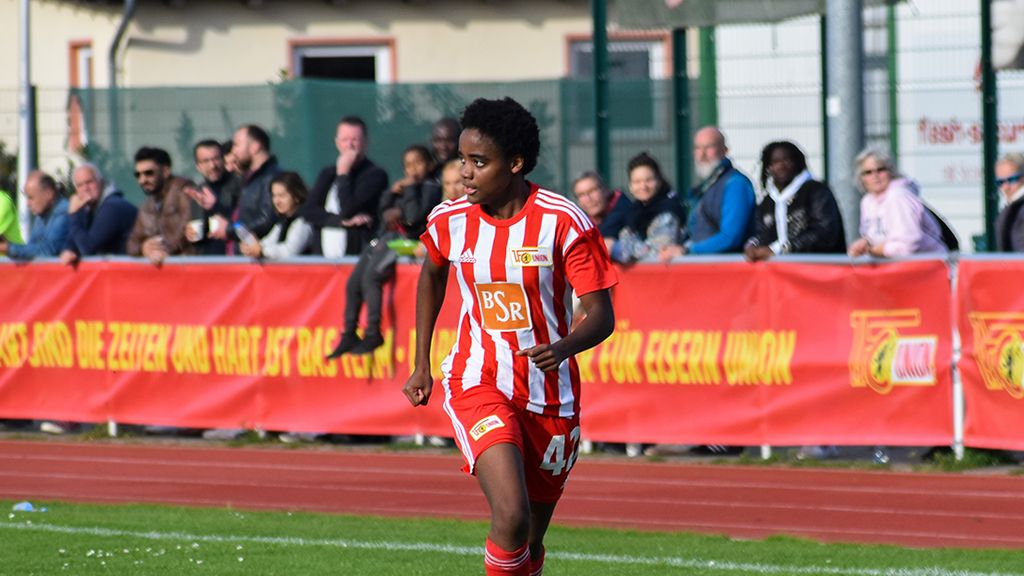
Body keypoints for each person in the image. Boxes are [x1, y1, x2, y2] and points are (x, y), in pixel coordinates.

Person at [402, 97, 617, 576]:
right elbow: (431, 274)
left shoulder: (564, 223)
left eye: (479, 162)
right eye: (462, 160)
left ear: (515, 163)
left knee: (531, 540)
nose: (466, 173)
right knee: (512, 516)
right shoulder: (450, 219)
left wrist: (562, 348)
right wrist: (423, 363)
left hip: (550, 396)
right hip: (479, 380)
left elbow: (602, 315)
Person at [328, 144, 440, 357]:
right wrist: (392, 194)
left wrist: (409, 191)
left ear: (430, 164)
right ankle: (349, 331)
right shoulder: (405, 187)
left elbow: (413, 216)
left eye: (418, 163)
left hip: (408, 242)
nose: (413, 169)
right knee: (353, 282)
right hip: (388, 238)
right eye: (408, 165)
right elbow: (384, 213)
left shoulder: (430, 187)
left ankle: (373, 331)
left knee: (371, 278)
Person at [744, 140, 846, 261]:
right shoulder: (768, 200)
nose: (781, 166)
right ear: (768, 167)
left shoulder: (817, 191)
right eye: (775, 162)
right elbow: (761, 232)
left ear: (797, 162)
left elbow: (825, 233)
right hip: (778, 273)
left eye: (787, 160)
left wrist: (782, 248)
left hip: (819, 269)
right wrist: (753, 245)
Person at [304, 116, 388, 257]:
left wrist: (343, 174)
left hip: (356, 258)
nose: (349, 145)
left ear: (365, 142)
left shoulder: (375, 175)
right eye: (345, 140)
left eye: (355, 140)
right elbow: (309, 211)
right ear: (337, 143)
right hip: (324, 260)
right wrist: (340, 222)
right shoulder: (328, 173)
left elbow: (348, 208)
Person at [666, 126, 756, 258]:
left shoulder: (736, 184)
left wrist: (688, 250)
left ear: (725, 150)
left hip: (727, 270)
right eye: (697, 148)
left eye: (709, 147)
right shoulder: (707, 185)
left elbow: (730, 237)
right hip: (706, 267)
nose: (702, 154)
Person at [847, 148, 948, 258]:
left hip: (927, 265)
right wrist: (865, 243)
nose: (875, 175)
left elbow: (907, 245)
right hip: (895, 266)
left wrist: (871, 250)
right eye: (868, 172)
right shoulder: (867, 201)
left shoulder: (899, 196)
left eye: (880, 169)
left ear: (891, 172)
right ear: (861, 178)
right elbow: (876, 236)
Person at [609, 152, 685, 264]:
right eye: (637, 182)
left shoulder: (669, 211)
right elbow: (626, 237)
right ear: (630, 186)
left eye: (649, 180)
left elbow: (658, 250)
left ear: (659, 181)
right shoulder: (633, 212)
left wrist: (616, 248)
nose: (643, 186)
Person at [126, 146, 196, 265]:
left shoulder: (184, 191)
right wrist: (144, 248)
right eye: (138, 175)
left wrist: (161, 250)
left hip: (189, 269)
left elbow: (188, 229)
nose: (142, 180)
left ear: (165, 171)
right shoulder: (147, 205)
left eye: (149, 173)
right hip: (165, 272)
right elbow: (132, 243)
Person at [60, 163, 139, 265]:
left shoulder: (112, 206)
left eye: (89, 182)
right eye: (80, 185)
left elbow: (88, 248)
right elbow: (75, 238)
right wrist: (69, 250)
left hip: (133, 272)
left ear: (101, 182)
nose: (85, 188)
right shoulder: (88, 207)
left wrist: (74, 214)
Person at [185, 139, 241, 255]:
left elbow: (244, 225)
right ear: (198, 166)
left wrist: (216, 207)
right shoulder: (198, 192)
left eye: (216, 159)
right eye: (206, 161)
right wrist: (190, 234)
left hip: (236, 258)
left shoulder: (240, 185)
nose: (212, 165)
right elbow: (199, 233)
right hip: (209, 262)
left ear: (223, 160)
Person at [240, 171, 313, 259]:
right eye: (274, 196)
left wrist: (262, 250)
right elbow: (268, 241)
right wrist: (251, 247)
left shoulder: (304, 221)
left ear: (296, 196)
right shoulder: (283, 222)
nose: (277, 201)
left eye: (282, 196)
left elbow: (290, 251)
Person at [1, 171, 69, 260]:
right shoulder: (42, 213)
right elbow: (33, 246)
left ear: (48, 193)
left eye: (31, 198)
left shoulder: (64, 212)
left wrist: (8, 248)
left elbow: (47, 252)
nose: (28, 203)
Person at [231, 124, 282, 242]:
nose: (233, 151)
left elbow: (266, 220)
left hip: (256, 255)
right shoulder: (246, 179)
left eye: (237, 144)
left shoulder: (271, 177)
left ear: (255, 146)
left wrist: (230, 230)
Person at [572, 170, 632, 249]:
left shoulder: (627, 212)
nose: (588, 199)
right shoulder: (579, 223)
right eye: (581, 195)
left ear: (605, 190)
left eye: (592, 191)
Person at [994, 152, 1024, 252]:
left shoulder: (1018, 208)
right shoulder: (1010, 207)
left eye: (1012, 179)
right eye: (1000, 182)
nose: (1005, 187)